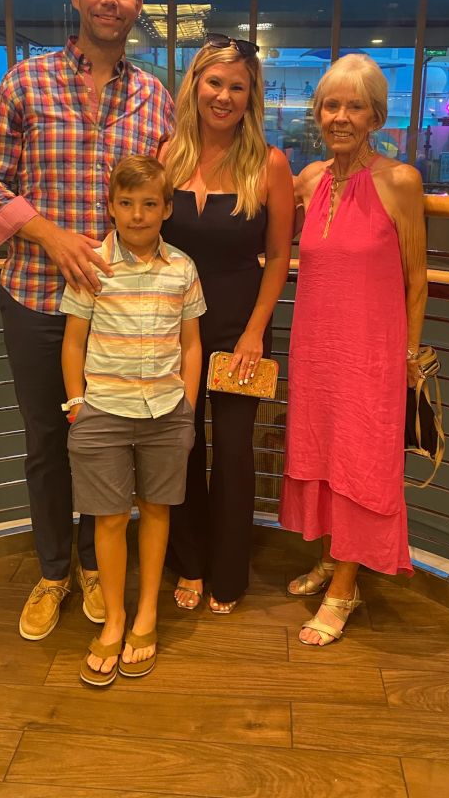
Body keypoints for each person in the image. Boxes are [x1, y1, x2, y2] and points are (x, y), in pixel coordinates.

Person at [0, 0, 174, 641]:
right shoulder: (25, 82)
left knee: (105, 443)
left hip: (119, 310)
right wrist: (48, 235)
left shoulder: (156, 98)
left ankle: (93, 565)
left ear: (137, 4)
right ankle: (54, 569)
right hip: (36, 296)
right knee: (46, 441)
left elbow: (175, 190)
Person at [280, 53, 427, 646]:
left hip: (372, 354)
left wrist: (409, 357)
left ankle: (345, 587)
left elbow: (417, 277)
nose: (340, 117)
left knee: (360, 461)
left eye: (355, 106)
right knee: (320, 452)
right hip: (316, 348)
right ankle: (331, 555)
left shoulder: (400, 181)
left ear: (376, 117)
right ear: (318, 113)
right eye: (331, 105)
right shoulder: (309, 180)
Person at [161, 34, 295, 613]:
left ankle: (229, 574)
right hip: (174, 328)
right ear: (195, 85)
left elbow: (280, 256)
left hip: (243, 325)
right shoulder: (166, 155)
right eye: (214, 83)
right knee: (182, 445)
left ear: (250, 97)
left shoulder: (270, 164)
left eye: (237, 87)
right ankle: (189, 563)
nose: (223, 96)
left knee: (236, 452)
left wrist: (254, 332)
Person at [61, 156, 204, 685]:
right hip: (103, 410)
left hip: (166, 411)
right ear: (111, 206)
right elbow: (73, 342)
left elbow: (191, 343)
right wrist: (76, 403)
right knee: (109, 518)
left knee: (157, 510)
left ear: (166, 209)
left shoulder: (182, 268)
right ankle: (115, 619)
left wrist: (187, 408)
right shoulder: (93, 264)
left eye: (149, 204)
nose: (137, 215)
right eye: (126, 203)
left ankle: (147, 614)